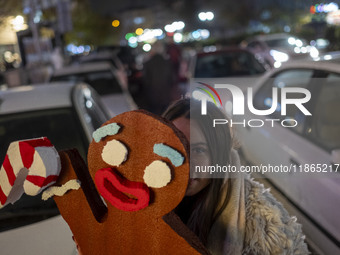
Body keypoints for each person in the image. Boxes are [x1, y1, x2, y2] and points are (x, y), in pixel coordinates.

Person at [162, 98, 309, 255]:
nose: (186, 164)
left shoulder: (264, 228)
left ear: (219, 155)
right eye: (175, 147)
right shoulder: (141, 197)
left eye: (199, 150)